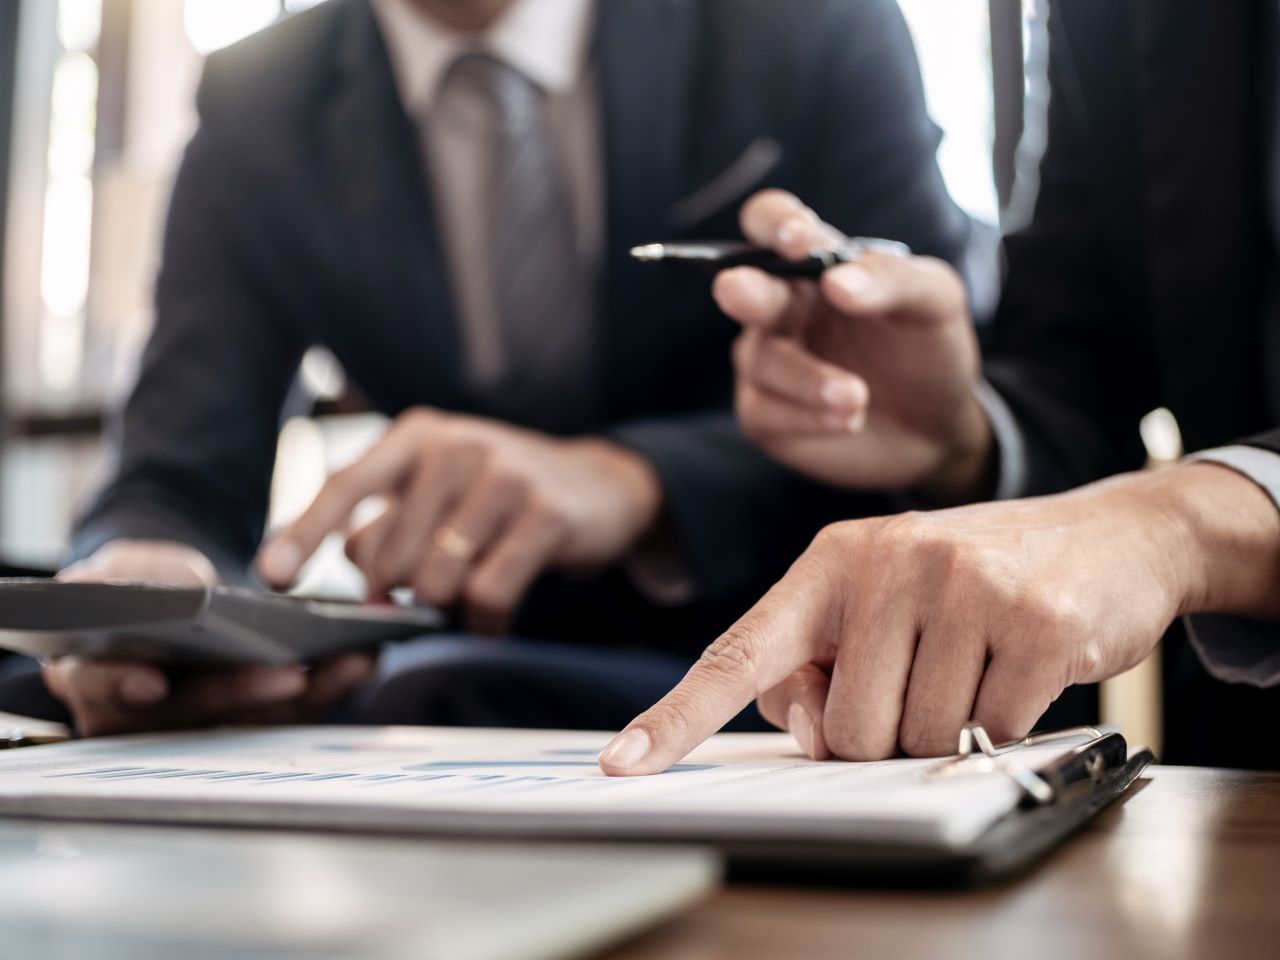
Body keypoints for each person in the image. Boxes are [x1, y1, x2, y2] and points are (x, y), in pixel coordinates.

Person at [8, 0, 974, 736]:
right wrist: (148, 583)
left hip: (808, 670)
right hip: (459, 693)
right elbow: (177, 475)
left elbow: (955, 408)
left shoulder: (802, 24)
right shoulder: (259, 98)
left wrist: (637, 483)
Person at [599, 0, 1280, 777]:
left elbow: (1139, 523)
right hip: (1240, 781)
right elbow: (1084, 372)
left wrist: (1183, 524)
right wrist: (958, 434)